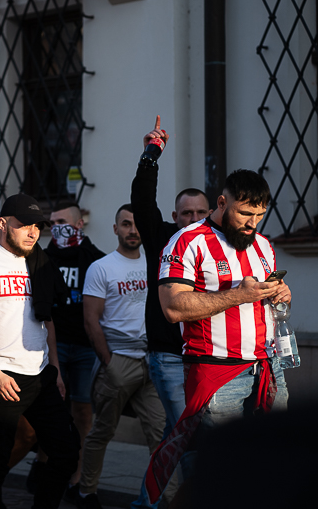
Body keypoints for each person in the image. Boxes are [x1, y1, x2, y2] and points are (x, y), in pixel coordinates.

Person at [144, 169, 290, 504]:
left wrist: (281, 293)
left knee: (272, 457)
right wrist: (240, 294)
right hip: (217, 371)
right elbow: (173, 307)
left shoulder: (264, 245)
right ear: (222, 203)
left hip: (267, 366)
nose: (252, 223)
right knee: (218, 465)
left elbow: (264, 296)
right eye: (244, 213)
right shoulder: (187, 241)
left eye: (259, 215)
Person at [0, 193, 79, 509]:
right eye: (23, 225)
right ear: (3, 224)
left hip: (40, 377)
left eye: (37, 226)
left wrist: (54, 369)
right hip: (2, 377)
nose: (32, 232)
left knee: (66, 452)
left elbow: (47, 319)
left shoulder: (39, 263)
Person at [129, 119, 211, 508]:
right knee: (189, 436)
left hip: (208, 357)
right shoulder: (162, 238)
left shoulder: (219, 245)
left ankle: (145, 503)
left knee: (173, 437)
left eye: (200, 212)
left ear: (211, 213)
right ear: (175, 217)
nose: (193, 219)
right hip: (170, 356)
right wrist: (151, 155)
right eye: (186, 213)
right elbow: (143, 200)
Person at [76, 205, 164, 509]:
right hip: (118, 361)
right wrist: (109, 363)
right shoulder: (102, 267)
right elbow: (91, 320)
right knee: (102, 432)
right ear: (116, 229)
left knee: (160, 433)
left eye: (137, 225)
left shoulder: (154, 262)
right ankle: (86, 491)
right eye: (126, 224)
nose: (133, 230)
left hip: (151, 362)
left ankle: (160, 496)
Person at [43, 201, 105, 500]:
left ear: (79, 224)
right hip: (51, 346)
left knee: (82, 411)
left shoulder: (95, 259)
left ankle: (78, 476)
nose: (56, 227)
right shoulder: (43, 258)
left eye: (62, 221)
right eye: (52, 222)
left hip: (84, 348)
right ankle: (46, 470)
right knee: (52, 412)